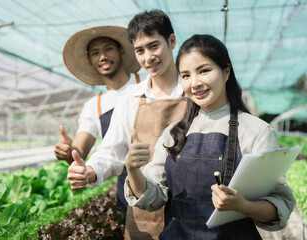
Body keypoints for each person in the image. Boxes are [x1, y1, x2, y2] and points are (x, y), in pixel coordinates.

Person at [124, 34, 295, 239]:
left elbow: (280, 204)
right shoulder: (173, 133)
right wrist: (133, 170)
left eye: (204, 71)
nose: (194, 83)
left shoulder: (257, 131)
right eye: (186, 75)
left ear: (226, 71)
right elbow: (153, 199)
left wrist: (244, 206)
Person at [67, 10, 187, 239]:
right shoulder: (131, 99)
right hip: (146, 210)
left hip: (194, 207)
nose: (148, 57)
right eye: (140, 50)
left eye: (154, 46)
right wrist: (90, 171)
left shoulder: (192, 92)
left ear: (171, 41)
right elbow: (111, 151)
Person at [54, 26, 141, 211]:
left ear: (121, 50)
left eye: (108, 48)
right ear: (90, 60)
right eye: (95, 52)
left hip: (163, 179)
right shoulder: (95, 105)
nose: (102, 56)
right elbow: (80, 150)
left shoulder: (146, 83)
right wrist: (69, 152)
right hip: (127, 190)